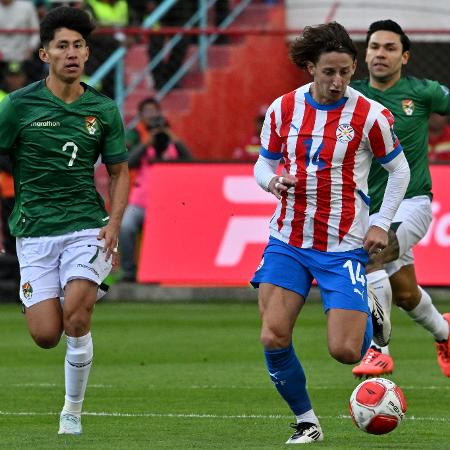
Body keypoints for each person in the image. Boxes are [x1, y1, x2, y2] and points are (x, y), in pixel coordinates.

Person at [250, 22, 410, 444]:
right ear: (310, 68)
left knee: (343, 350)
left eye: (345, 72)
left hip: (343, 246)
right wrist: (271, 182)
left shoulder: (370, 116)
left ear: (353, 68)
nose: (338, 81)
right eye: (328, 72)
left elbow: (399, 170)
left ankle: (371, 318)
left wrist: (380, 222)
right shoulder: (283, 109)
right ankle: (307, 422)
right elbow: (262, 164)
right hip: (288, 239)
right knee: (273, 333)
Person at [0, 6, 129, 434]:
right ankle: (74, 288)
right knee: (45, 335)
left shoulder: (103, 109)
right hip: (34, 231)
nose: (71, 53)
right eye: (62, 46)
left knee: (77, 315)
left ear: (88, 52)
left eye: (78, 46)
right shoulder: (18, 106)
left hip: (85, 226)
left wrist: (112, 223)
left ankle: (71, 410)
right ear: (44, 54)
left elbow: (118, 172)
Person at [351, 20, 450, 378]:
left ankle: (378, 350)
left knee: (371, 254)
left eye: (390, 48)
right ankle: (447, 334)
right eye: (375, 46)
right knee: (406, 294)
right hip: (369, 208)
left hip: (412, 203)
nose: (380, 53)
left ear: (404, 56)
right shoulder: (352, 96)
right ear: (366, 53)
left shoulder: (422, 92)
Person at [119, 96, 191, 282]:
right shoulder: (139, 139)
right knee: (126, 227)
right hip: (140, 202)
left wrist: (171, 136)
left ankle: (165, 270)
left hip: (166, 203)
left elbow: (190, 161)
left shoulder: (172, 144)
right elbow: (129, 162)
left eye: (155, 112)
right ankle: (129, 271)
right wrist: (146, 143)